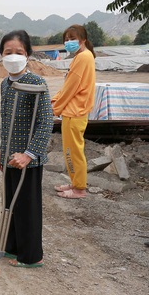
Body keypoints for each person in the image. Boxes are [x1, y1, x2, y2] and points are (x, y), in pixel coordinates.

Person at [0, 30, 53, 268]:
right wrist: (2, 152)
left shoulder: (37, 82)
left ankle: (31, 256)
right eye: (8, 52)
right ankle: (12, 248)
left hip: (27, 158)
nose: (13, 56)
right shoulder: (4, 83)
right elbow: (6, 120)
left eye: (18, 52)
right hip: (10, 155)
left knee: (27, 207)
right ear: (1, 55)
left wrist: (29, 154)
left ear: (27, 55)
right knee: (11, 203)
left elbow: (46, 121)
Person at [50, 24, 96, 199]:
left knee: (73, 151)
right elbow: (68, 86)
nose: (68, 42)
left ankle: (79, 189)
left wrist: (55, 108)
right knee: (70, 149)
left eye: (72, 39)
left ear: (83, 40)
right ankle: (75, 182)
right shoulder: (82, 56)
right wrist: (54, 100)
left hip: (75, 111)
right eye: (66, 39)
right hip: (73, 110)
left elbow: (71, 88)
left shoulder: (83, 57)